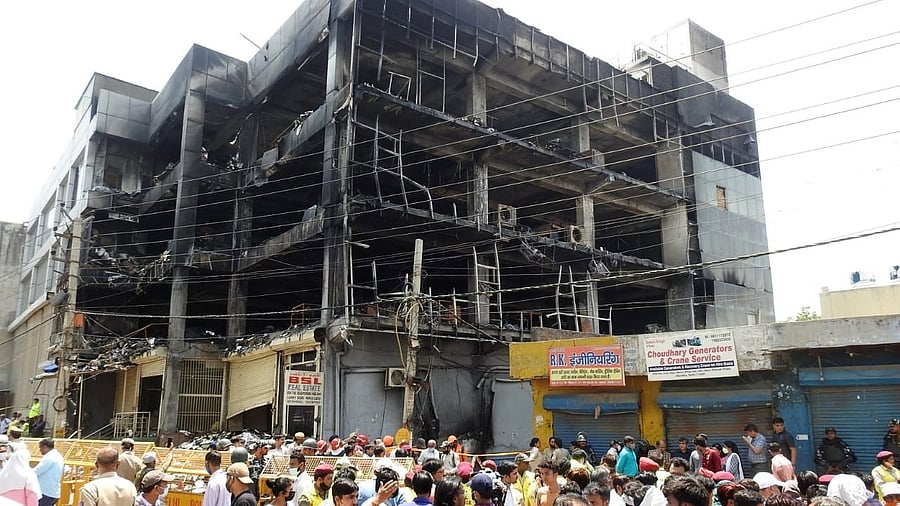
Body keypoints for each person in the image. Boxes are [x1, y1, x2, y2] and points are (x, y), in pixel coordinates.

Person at [34, 438, 65, 506]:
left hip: (46, 492)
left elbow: (36, 471)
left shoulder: (50, 457)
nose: (39, 450)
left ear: (45, 446)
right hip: (53, 492)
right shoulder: (57, 455)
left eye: (40, 448)